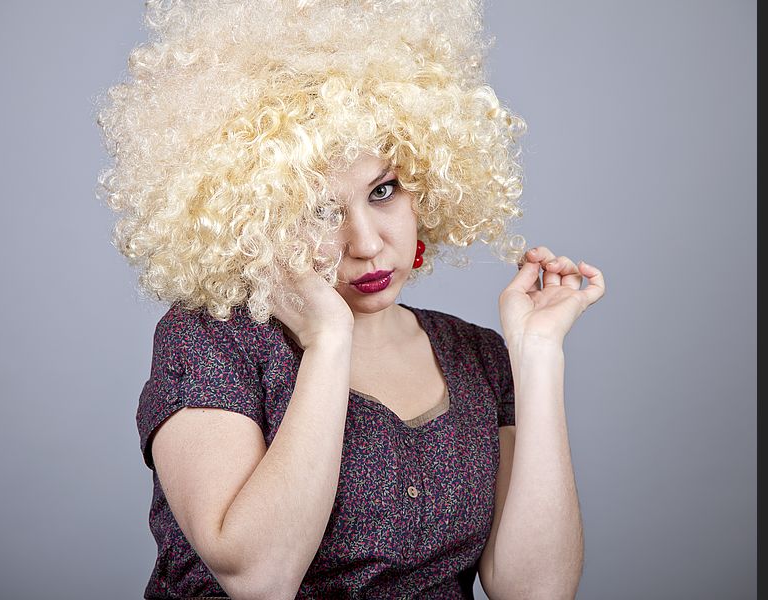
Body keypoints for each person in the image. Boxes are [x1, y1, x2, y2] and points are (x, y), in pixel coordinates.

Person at [96, 1, 605, 598]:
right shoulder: (211, 341)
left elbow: (536, 592)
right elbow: (259, 578)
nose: (365, 242)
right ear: (253, 217)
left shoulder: (477, 357)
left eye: (383, 191)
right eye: (320, 210)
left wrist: (537, 356)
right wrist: (328, 342)